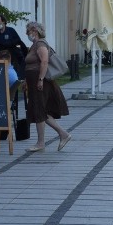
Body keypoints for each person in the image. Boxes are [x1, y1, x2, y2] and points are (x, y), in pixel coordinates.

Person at [23, 21, 71, 152]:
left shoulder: (40, 44)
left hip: (41, 83)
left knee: (40, 110)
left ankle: (41, 142)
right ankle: (62, 134)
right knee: (41, 111)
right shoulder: (34, 45)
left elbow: (44, 61)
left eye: (28, 31)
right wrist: (26, 81)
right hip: (34, 82)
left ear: (35, 31)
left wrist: (40, 80)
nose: (27, 34)